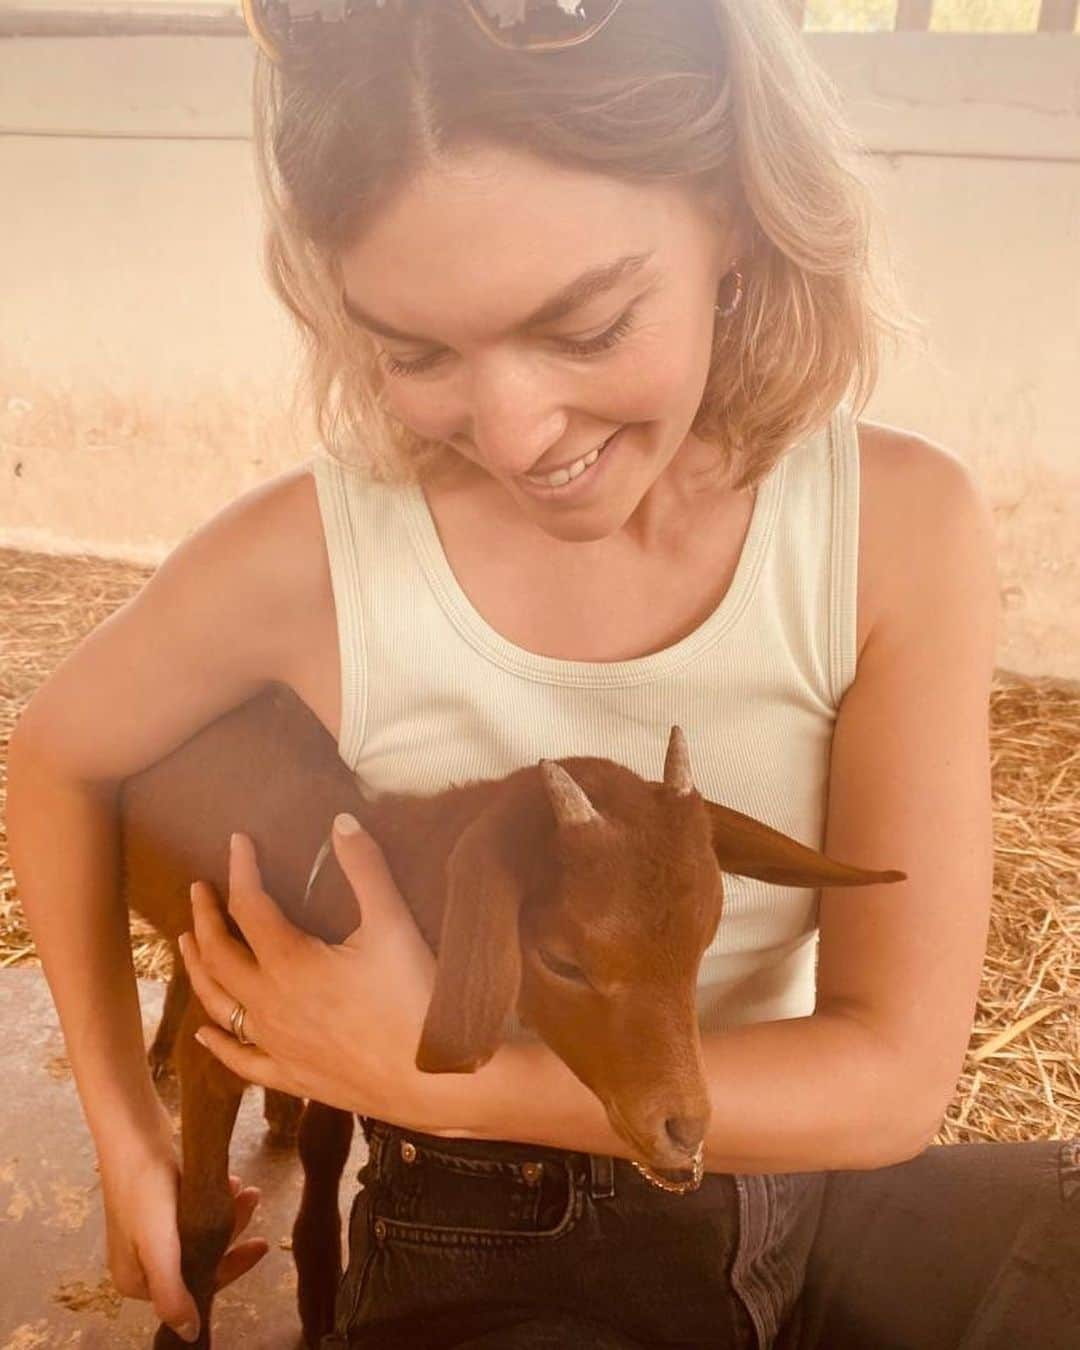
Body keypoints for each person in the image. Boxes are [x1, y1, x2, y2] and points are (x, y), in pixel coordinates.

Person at [6, 1, 1077, 1347]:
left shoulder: (895, 530)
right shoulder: (319, 553)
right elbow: (54, 751)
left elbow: (893, 1078)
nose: (515, 432)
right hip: (481, 1226)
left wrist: (454, 1079)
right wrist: (126, 1129)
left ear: (737, 217)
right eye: (418, 351)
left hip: (795, 1180)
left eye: (586, 326)